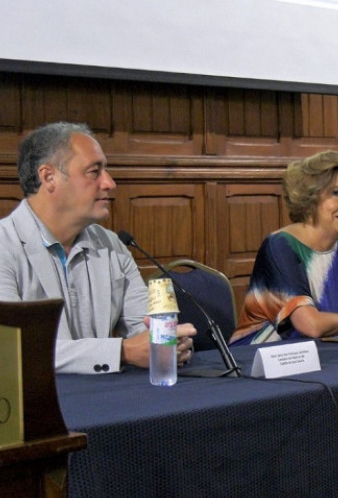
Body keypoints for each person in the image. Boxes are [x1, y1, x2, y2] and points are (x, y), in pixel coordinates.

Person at [0, 122, 196, 374]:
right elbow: (12, 351)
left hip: (103, 400)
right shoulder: (5, 245)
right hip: (31, 406)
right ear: (49, 177)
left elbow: (143, 327)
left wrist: (167, 342)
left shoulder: (112, 245)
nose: (109, 183)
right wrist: (122, 352)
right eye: (94, 172)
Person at [230, 150, 338, 344]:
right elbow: (310, 325)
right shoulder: (281, 246)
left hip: (332, 356)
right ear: (310, 198)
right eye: (336, 193)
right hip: (265, 360)